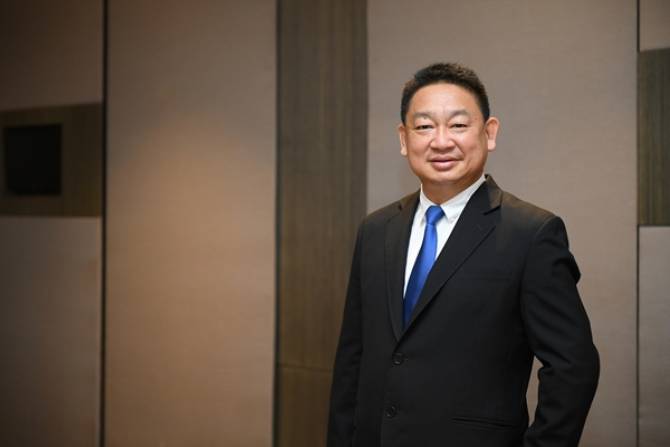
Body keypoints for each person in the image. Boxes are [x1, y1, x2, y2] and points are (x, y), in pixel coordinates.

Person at [327, 62, 599, 447]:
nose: (441, 141)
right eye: (424, 126)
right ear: (404, 138)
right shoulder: (376, 230)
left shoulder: (531, 233)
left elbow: (573, 366)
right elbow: (352, 359)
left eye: (457, 125)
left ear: (489, 133)